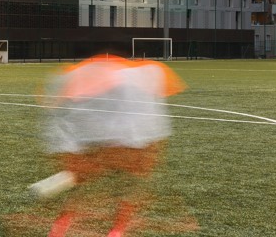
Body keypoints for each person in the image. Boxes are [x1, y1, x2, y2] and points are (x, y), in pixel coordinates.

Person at [30, 54, 187, 237]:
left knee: (85, 184)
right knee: (132, 185)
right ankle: (116, 231)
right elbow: (163, 91)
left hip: (99, 138)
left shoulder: (85, 70)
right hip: (134, 139)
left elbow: (55, 100)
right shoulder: (147, 71)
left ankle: (60, 226)